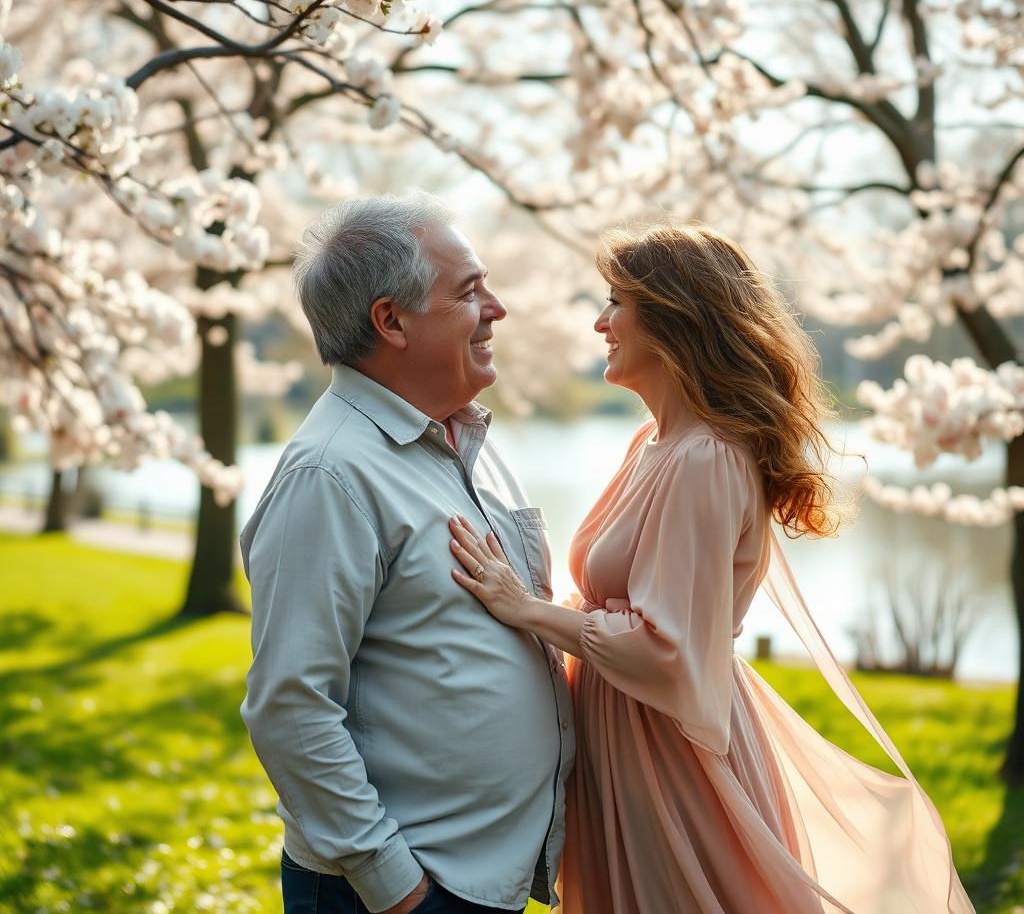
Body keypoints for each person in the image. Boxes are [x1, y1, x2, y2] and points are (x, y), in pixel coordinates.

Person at [448, 221, 976, 914]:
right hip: (628, 742)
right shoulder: (655, 444)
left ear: (673, 316)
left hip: (669, 756)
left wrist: (526, 610)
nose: (601, 323)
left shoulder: (705, 458)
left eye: (616, 302)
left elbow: (666, 650)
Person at [240, 193, 574, 914]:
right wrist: (399, 890)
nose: (498, 309)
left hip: (480, 880)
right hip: (401, 891)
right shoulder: (330, 475)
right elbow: (290, 707)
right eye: (470, 292)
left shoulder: (466, 443)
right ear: (390, 321)